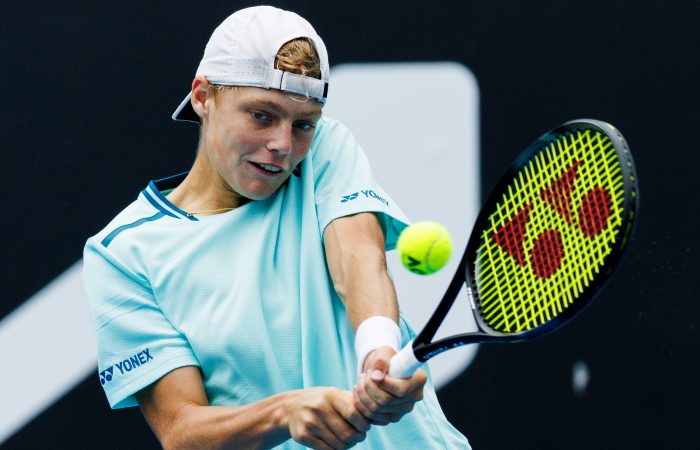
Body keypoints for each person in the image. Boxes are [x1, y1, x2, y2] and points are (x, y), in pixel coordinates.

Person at [83, 5, 471, 449]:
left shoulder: (325, 149)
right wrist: (283, 413)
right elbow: (181, 432)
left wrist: (378, 350)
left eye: (303, 123)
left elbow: (358, 257)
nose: (283, 146)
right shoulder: (122, 252)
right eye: (261, 115)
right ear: (203, 96)